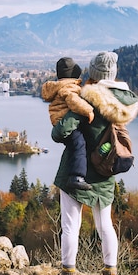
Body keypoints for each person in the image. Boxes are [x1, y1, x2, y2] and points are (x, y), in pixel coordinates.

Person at [50, 51, 138, 275]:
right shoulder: (122, 103)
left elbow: (59, 133)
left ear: (94, 73)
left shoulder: (88, 98)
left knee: (70, 226)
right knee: (105, 226)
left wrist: (70, 115)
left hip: (75, 174)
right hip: (105, 173)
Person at [41, 57, 95, 190]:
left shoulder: (59, 85)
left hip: (59, 121)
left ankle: (75, 175)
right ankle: (76, 177)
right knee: (79, 144)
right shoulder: (69, 87)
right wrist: (89, 111)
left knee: (74, 146)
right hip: (64, 122)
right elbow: (73, 101)